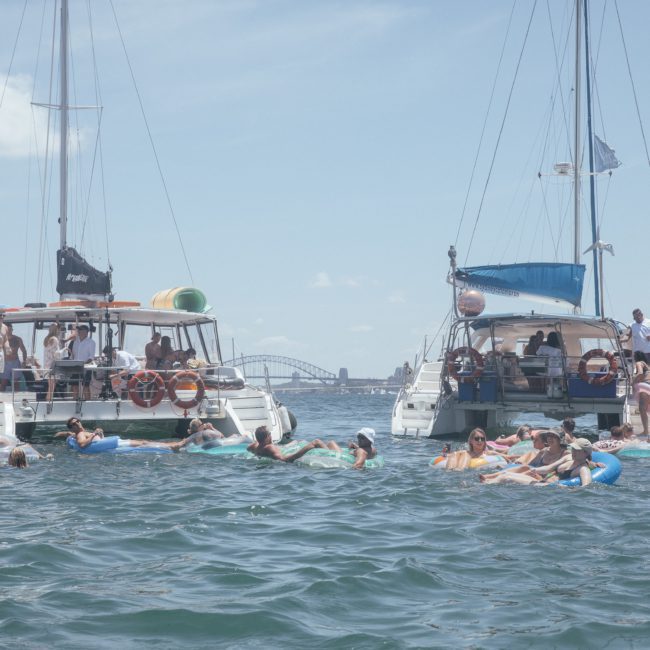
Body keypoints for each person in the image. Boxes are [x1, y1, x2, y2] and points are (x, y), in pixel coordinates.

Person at [481, 438, 599, 486]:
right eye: (573, 448)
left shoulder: (583, 469)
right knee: (505, 474)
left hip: (548, 487)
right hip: (542, 481)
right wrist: (535, 470)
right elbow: (548, 469)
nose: (573, 451)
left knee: (506, 478)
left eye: (577, 450)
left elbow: (586, 487)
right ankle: (484, 483)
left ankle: (480, 488)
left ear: (585, 453)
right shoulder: (568, 459)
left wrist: (567, 488)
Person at [480, 428, 569, 483]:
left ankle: (490, 480)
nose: (550, 438)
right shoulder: (544, 451)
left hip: (544, 480)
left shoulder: (565, 454)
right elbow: (530, 466)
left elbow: (559, 473)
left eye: (553, 436)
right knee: (525, 467)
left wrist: (539, 476)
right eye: (549, 436)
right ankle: (490, 476)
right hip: (534, 475)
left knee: (508, 476)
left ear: (559, 439)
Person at [62, 417, 177, 450]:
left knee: (143, 442)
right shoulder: (80, 434)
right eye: (74, 424)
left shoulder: (82, 432)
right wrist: (93, 434)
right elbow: (82, 444)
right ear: (72, 429)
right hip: (116, 444)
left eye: (77, 421)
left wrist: (99, 434)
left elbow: (98, 441)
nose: (77, 423)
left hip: (113, 444)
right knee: (143, 442)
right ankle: (171, 446)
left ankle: (169, 446)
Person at [247, 425, 326, 462]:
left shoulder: (255, 446)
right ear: (266, 437)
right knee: (318, 442)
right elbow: (285, 460)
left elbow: (248, 448)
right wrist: (310, 446)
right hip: (289, 456)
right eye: (270, 434)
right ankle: (334, 455)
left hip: (285, 449)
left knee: (297, 442)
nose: (271, 436)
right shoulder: (270, 447)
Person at [71, 324, 96, 400]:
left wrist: (83, 364)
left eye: (80, 330)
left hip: (86, 367)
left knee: (85, 386)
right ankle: (74, 403)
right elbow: (73, 355)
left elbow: (91, 357)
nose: (78, 331)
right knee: (74, 386)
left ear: (85, 332)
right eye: (78, 330)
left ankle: (88, 404)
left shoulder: (91, 342)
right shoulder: (75, 341)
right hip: (75, 367)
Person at [1, 324, 28, 392]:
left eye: (11, 329)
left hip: (15, 363)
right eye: (8, 329)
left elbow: (24, 350)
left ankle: (16, 400)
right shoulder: (1, 340)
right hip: (5, 363)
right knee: (3, 383)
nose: (10, 331)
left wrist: (24, 361)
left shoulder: (18, 339)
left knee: (16, 383)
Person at [632, 351, 650, 435]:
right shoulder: (647, 366)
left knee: (642, 408)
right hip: (648, 385)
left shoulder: (639, 363)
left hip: (645, 386)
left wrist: (633, 381)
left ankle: (646, 431)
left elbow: (640, 373)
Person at [43, 324, 61, 401]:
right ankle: (48, 402)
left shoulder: (46, 339)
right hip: (53, 365)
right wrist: (64, 350)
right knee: (51, 387)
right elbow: (56, 354)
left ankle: (48, 401)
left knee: (50, 386)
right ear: (57, 330)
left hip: (47, 365)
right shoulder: (55, 339)